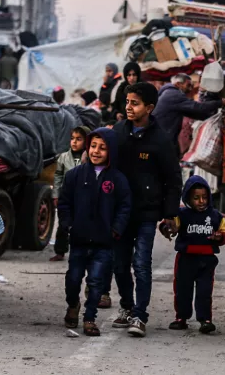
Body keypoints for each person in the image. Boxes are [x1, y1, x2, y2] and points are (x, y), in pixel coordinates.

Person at [108, 82, 182, 337]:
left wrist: (171, 214)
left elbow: (173, 179)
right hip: (120, 214)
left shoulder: (161, 141)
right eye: (127, 102)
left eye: (135, 103)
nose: (129, 107)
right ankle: (126, 307)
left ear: (149, 108)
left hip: (147, 214)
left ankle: (140, 315)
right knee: (119, 264)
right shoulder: (117, 133)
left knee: (141, 264)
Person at [58, 128, 131, 337]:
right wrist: (68, 225)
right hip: (79, 240)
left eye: (102, 148)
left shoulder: (117, 179)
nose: (96, 151)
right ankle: (73, 305)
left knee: (96, 282)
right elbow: (64, 203)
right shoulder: (75, 175)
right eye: (93, 146)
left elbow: (125, 207)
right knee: (73, 279)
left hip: (104, 243)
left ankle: (90, 318)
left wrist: (116, 230)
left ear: (111, 151)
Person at [161, 175, 225, 334]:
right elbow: (170, 224)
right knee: (182, 290)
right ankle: (181, 318)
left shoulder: (215, 216)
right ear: (188, 198)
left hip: (207, 261)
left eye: (204, 197)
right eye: (196, 198)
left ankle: (205, 320)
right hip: (186, 259)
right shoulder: (182, 214)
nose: (201, 201)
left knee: (204, 292)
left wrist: (220, 236)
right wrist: (168, 228)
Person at [153, 74, 223, 152]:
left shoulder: (167, 93)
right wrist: (220, 102)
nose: (190, 89)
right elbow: (198, 108)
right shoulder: (173, 94)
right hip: (163, 140)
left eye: (191, 86)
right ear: (178, 84)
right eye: (188, 85)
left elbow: (195, 113)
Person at [51, 125, 90, 262]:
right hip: (67, 196)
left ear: (86, 141)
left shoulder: (90, 157)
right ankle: (60, 251)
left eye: (79, 139)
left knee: (82, 224)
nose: (74, 142)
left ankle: (81, 251)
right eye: (72, 138)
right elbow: (58, 176)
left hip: (84, 196)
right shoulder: (63, 157)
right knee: (63, 224)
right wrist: (56, 194)